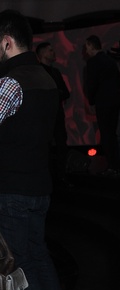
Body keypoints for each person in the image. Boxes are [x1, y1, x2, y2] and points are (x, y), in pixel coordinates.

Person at [0, 9, 67, 290]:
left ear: (6, 42)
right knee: (38, 255)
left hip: (14, 186)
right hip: (39, 183)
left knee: (22, 262)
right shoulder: (45, 77)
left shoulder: (11, 82)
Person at [85, 34, 120, 176]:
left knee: (106, 134)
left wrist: (91, 101)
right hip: (114, 100)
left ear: (91, 46)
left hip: (103, 102)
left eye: (87, 47)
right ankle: (116, 165)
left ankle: (112, 166)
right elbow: (119, 81)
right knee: (112, 133)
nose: (86, 51)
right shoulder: (110, 60)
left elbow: (92, 84)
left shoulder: (92, 62)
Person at [36, 41, 71, 187]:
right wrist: (56, 94)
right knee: (45, 147)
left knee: (61, 145)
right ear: (43, 53)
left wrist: (54, 94)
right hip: (44, 118)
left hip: (57, 115)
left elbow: (66, 93)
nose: (53, 52)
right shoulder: (37, 72)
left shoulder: (55, 72)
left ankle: (61, 176)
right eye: (50, 50)